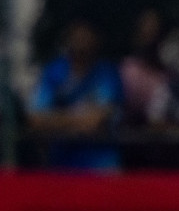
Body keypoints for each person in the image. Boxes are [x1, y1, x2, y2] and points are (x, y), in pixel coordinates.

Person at [28, 19, 124, 170]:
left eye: (86, 34)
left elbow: (97, 121)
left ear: (96, 39)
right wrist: (77, 120)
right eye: (77, 34)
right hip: (60, 167)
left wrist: (57, 119)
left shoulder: (107, 73)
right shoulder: (54, 71)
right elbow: (36, 119)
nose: (81, 39)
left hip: (100, 166)